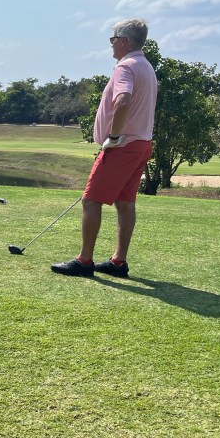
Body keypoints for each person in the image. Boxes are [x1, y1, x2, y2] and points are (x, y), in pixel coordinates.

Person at [51, 19, 158, 278]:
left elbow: (123, 101)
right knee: (125, 201)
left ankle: (84, 261)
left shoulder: (126, 67)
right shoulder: (145, 66)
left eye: (113, 38)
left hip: (123, 144)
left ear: (124, 41)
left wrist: (114, 136)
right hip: (141, 143)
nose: (111, 43)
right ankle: (118, 262)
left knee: (91, 200)